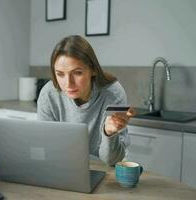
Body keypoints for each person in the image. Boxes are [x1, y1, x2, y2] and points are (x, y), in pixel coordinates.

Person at [37, 35, 135, 166]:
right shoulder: (48, 94)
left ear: (93, 69)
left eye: (77, 73)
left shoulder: (113, 94)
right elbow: (46, 150)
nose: (68, 83)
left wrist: (109, 133)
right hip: (65, 165)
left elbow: (111, 161)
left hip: (106, 167)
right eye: (60, 74)